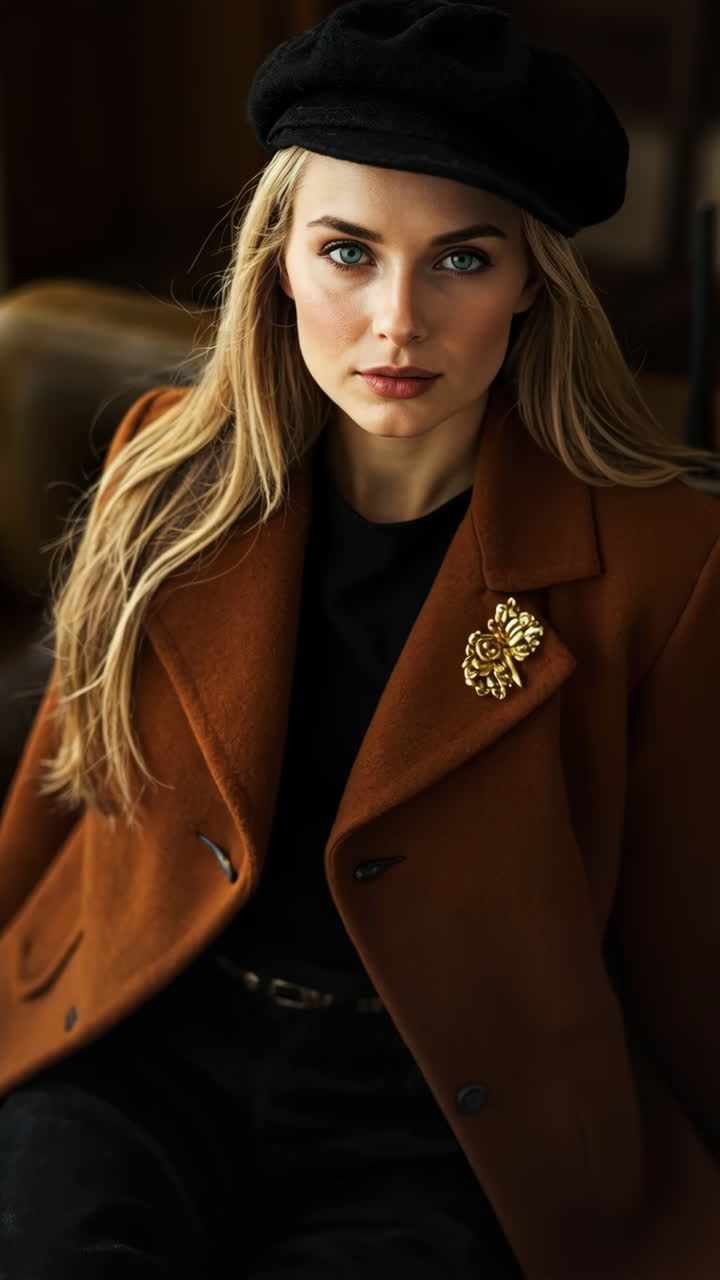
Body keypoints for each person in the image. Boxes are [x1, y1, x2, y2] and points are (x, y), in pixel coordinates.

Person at [0, 2, 719, 1277]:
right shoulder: (160, 470)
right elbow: (60, 790)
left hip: (432, 1106)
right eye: (347, 252)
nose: (396, 320)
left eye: (460, 258)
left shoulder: (659, 561)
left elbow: (682, 933)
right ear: (279, 257)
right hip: (141, 1039)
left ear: (531, 283)